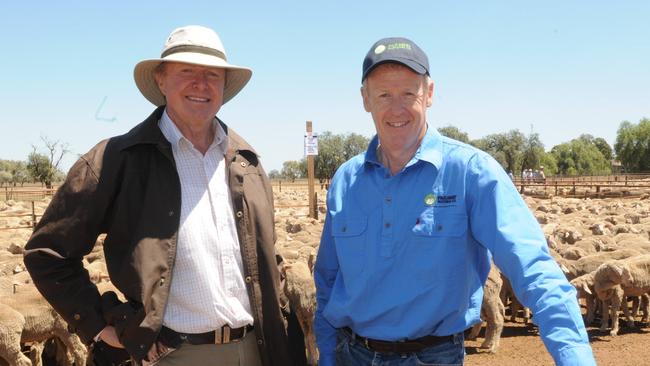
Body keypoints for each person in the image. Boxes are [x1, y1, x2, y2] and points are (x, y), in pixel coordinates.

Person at [24, 25, 306, 366]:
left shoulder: (246, 160)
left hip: (257, 350)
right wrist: (99, 325)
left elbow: (265, 256)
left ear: (223, 86)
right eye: (187, 71)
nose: (201, 84)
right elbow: (46, 253)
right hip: (174, 354)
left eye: (212, 75)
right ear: (161, 79)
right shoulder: (117, 159)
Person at [313, 37, 596, 366]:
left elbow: (533, 268)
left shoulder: (472, 173)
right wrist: (327, 355)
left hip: (432, 356)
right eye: (384, 95)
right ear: (365, 99)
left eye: (409, 93)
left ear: (429, 93)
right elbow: (328, 280)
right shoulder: (347, 180)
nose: (396, 108)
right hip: (352, 354)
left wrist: (574, 356)